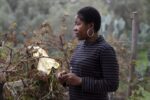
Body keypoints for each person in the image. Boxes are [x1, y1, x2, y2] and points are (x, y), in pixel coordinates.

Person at [57, 6, 119, 100]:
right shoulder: (80, 47)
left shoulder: (105, 50)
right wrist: (65, 79)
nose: (75, 28)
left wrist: (80, 81)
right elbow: (77, 78)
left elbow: (112, 84)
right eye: (75, 24)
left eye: (78, 24)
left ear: (90, 26)